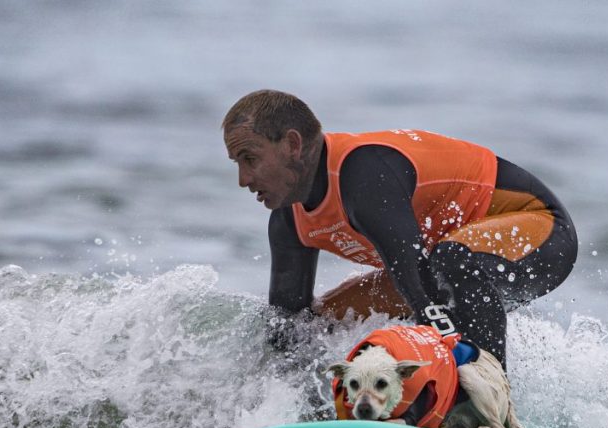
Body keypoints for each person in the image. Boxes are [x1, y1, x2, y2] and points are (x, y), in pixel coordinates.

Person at [222, 89, 577, 366]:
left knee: (447, 263)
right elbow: (286, 333)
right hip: (437, 266)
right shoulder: (289, 222)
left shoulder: (362, 174)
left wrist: (453, 367)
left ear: (293, 145)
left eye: (250, 159)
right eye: (237, 164)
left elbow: (425, 298)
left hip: (540, 233)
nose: (243, 179)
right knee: (312, 324)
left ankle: (486, 402)